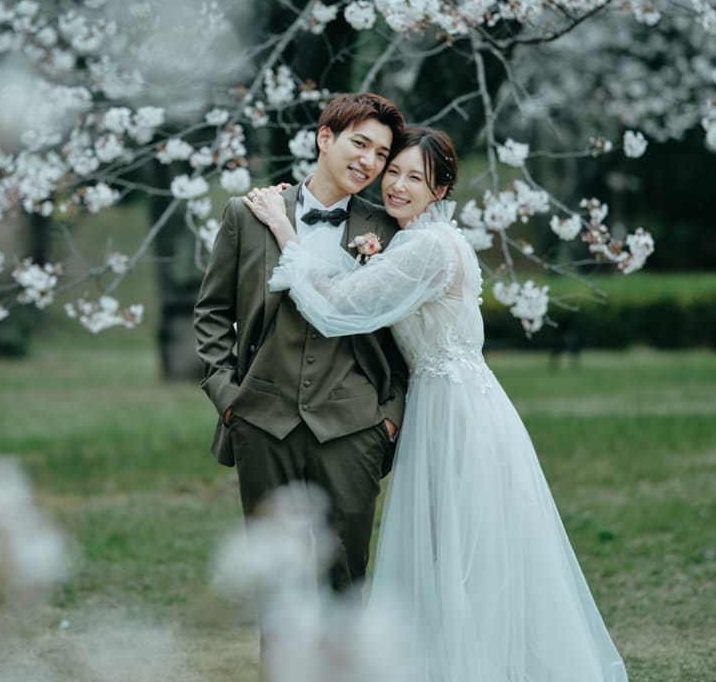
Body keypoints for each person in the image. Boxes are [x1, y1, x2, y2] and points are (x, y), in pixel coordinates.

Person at [243, 126, 628, 682]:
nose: (396, 185)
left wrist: (284, 228)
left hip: (455, 412)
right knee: (453, 555)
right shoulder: (418, 241)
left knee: (461, 557)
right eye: (393, 171)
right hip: (455, 402)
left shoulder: (427, 247)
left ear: (440, 191)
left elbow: (334, 306)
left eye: (415, 179)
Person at [194, 92, 409, 604]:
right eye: (360, 144)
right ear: (325, 137)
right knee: (277, 594)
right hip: (262, 423)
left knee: (347, 589)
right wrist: (230, 401)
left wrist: (388, 418)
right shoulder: (246, 216)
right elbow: (211, 314)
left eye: (381, 155)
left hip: (354, 430)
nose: (369, 162)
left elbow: (404, 335)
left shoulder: (386, 229)